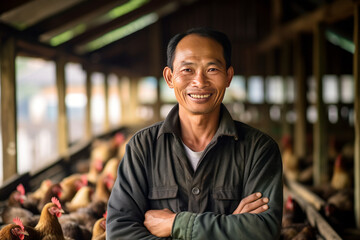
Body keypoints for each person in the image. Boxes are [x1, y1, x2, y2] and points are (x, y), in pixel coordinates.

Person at [107, 27, 283, 239]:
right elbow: (119, 232)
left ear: (228, 76)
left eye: (212, 69)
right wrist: (231, 227)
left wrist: (175, 224)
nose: (199, 82)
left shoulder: (259, 149)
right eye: (187, 70)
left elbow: (262, 230)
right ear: (169, 77)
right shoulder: (143, 147)